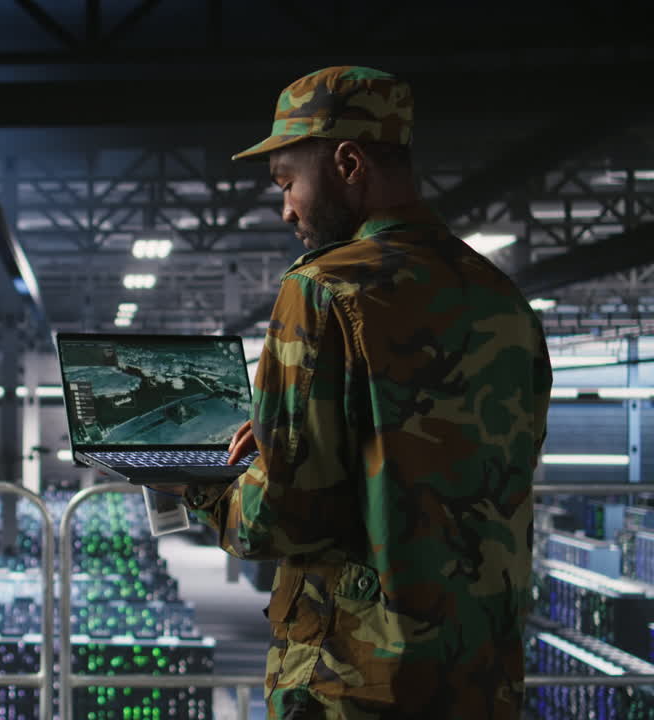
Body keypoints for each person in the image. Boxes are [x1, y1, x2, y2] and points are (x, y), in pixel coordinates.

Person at [150, 67, 553, 719]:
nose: (285, 209)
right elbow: (498, 463)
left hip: (357, 683)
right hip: (481, 673)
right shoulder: (501, 298)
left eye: (287, 183)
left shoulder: (322, 290)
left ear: (347, 162)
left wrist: (197, 482)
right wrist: (302, 438)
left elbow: (278, 520)